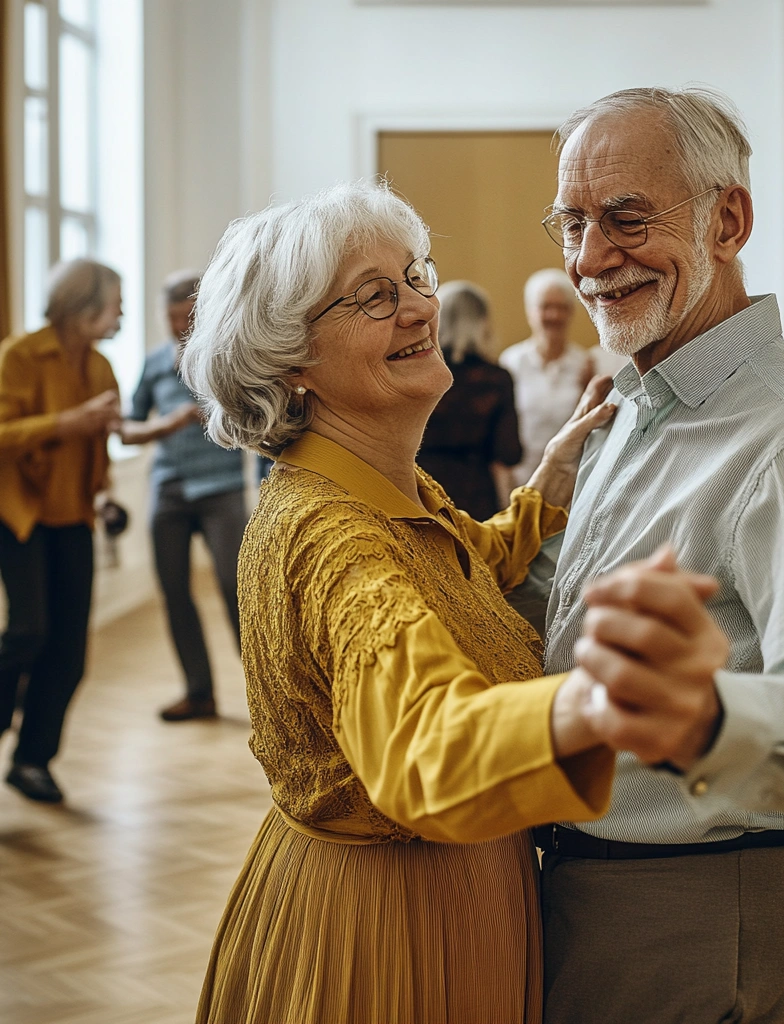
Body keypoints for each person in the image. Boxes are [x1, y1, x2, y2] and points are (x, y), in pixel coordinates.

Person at [179, 179, 717, 1024]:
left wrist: (550, 480)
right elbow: (423, 737)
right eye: (373, 296)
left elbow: (461, 568)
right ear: (291, 361)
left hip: (448, 895)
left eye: (415, 276)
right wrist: (603, 698)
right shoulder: (332, 536)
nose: (420, 308)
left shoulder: (385, 487)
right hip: (387, 928)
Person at [537, 86, 784, 1024]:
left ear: (729, 220)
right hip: (603, 884)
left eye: (627, 218)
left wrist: (704, 720)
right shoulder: (636, 399)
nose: (590, 259)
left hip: (692, 902)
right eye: (573, 223)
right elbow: (574, 613)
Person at [0, 259, 123, 803]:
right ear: (83, 304)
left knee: (70, 651)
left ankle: (32, 761)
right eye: (116, 303)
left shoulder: (101, 366)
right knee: (28, 630)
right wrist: (69, 422)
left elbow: (105, 438)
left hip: (74, 515)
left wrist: (106, 491)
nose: (122, 313)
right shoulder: (20, 355)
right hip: (20, 514)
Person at [120, 270, 247, 722]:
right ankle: (199, 693)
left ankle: (269, 691)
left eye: (188, 317)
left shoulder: (230, 354)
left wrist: (220, 414)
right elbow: (127, 429)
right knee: (174, 591)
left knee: (235, 587)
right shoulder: (154, 362)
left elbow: (255, 417)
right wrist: (167, 423)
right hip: (168, 488)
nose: (179, 326)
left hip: (222, 487)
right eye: (171, 317)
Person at [417, 280, 522, 519]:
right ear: (481, 322)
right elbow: (508, 453)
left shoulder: (415, 371)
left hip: (421, 493)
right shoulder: (495, 379)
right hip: (476, 500)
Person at [499, 269, 595, 487]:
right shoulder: (511, 362)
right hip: (520, 481)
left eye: (562, 307)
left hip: (568, 482)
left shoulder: (585, 364)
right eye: (546, 307)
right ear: (530, 312)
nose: (554, 315)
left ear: (571, 312)